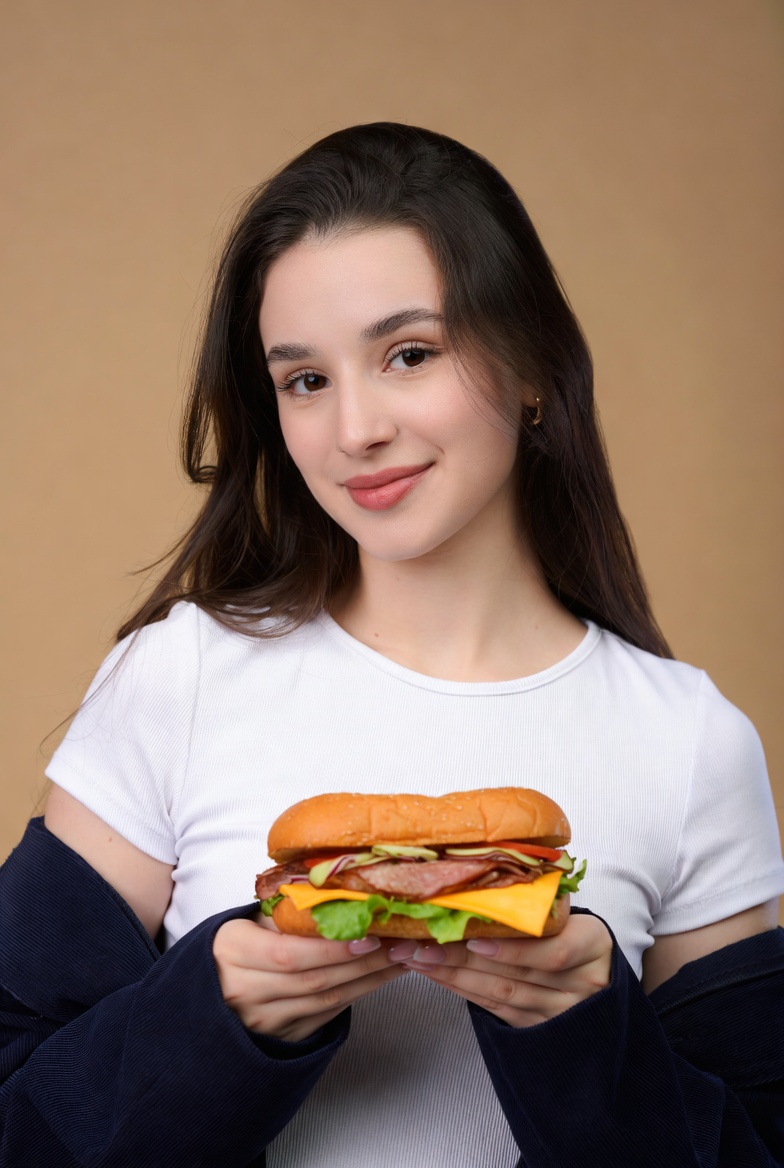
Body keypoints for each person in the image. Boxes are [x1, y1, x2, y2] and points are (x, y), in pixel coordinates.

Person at [1, 122, 782, 1168]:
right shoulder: (178, 674)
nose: (353, 428)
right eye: (304, 380)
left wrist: (586, 1030)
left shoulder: (690, 739)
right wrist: (218, 1013)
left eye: (408, 354)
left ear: (534, 366)